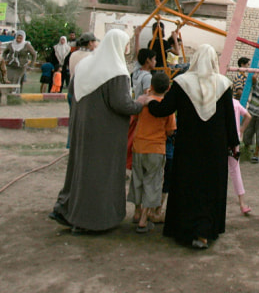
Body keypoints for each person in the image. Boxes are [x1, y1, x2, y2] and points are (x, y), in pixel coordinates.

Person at [50, 29, 151, 233]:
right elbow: (121, 104)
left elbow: (72, 92)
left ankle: (68, 209)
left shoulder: (86, 65)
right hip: (105, 133)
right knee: (99, 174)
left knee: (80, 170)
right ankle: (92, 220)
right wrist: (141, 103)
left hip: (82, 127)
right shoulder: (116, 70)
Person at [147, 44, 239, 249]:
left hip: (188, 146)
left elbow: (165, 109)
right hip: (215, 147)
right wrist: (234, 144)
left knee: (187, 184)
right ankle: (204, 232)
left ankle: (183, 229)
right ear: (214, 61)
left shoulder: (182, 82)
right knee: (209, 187)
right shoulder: (223, 84)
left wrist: (149, 102)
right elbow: (229, 119)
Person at [128, 72, 175, 233]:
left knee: (138, 180)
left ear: (151, 86)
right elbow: (170, 131)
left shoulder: (143, 102)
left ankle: (136, 211)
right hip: (156, 149)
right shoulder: (166, 107)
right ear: (168, 88)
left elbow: (134, 116)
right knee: (152, 183)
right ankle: (143, 220)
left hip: (139, 146)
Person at [230, 90, 252, 215]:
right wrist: (241, 130)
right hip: (235, 140)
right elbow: (248, 116)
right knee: (235, 170)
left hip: (221, 140)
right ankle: (242, 203)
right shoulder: (236, 103)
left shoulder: (218, 104)